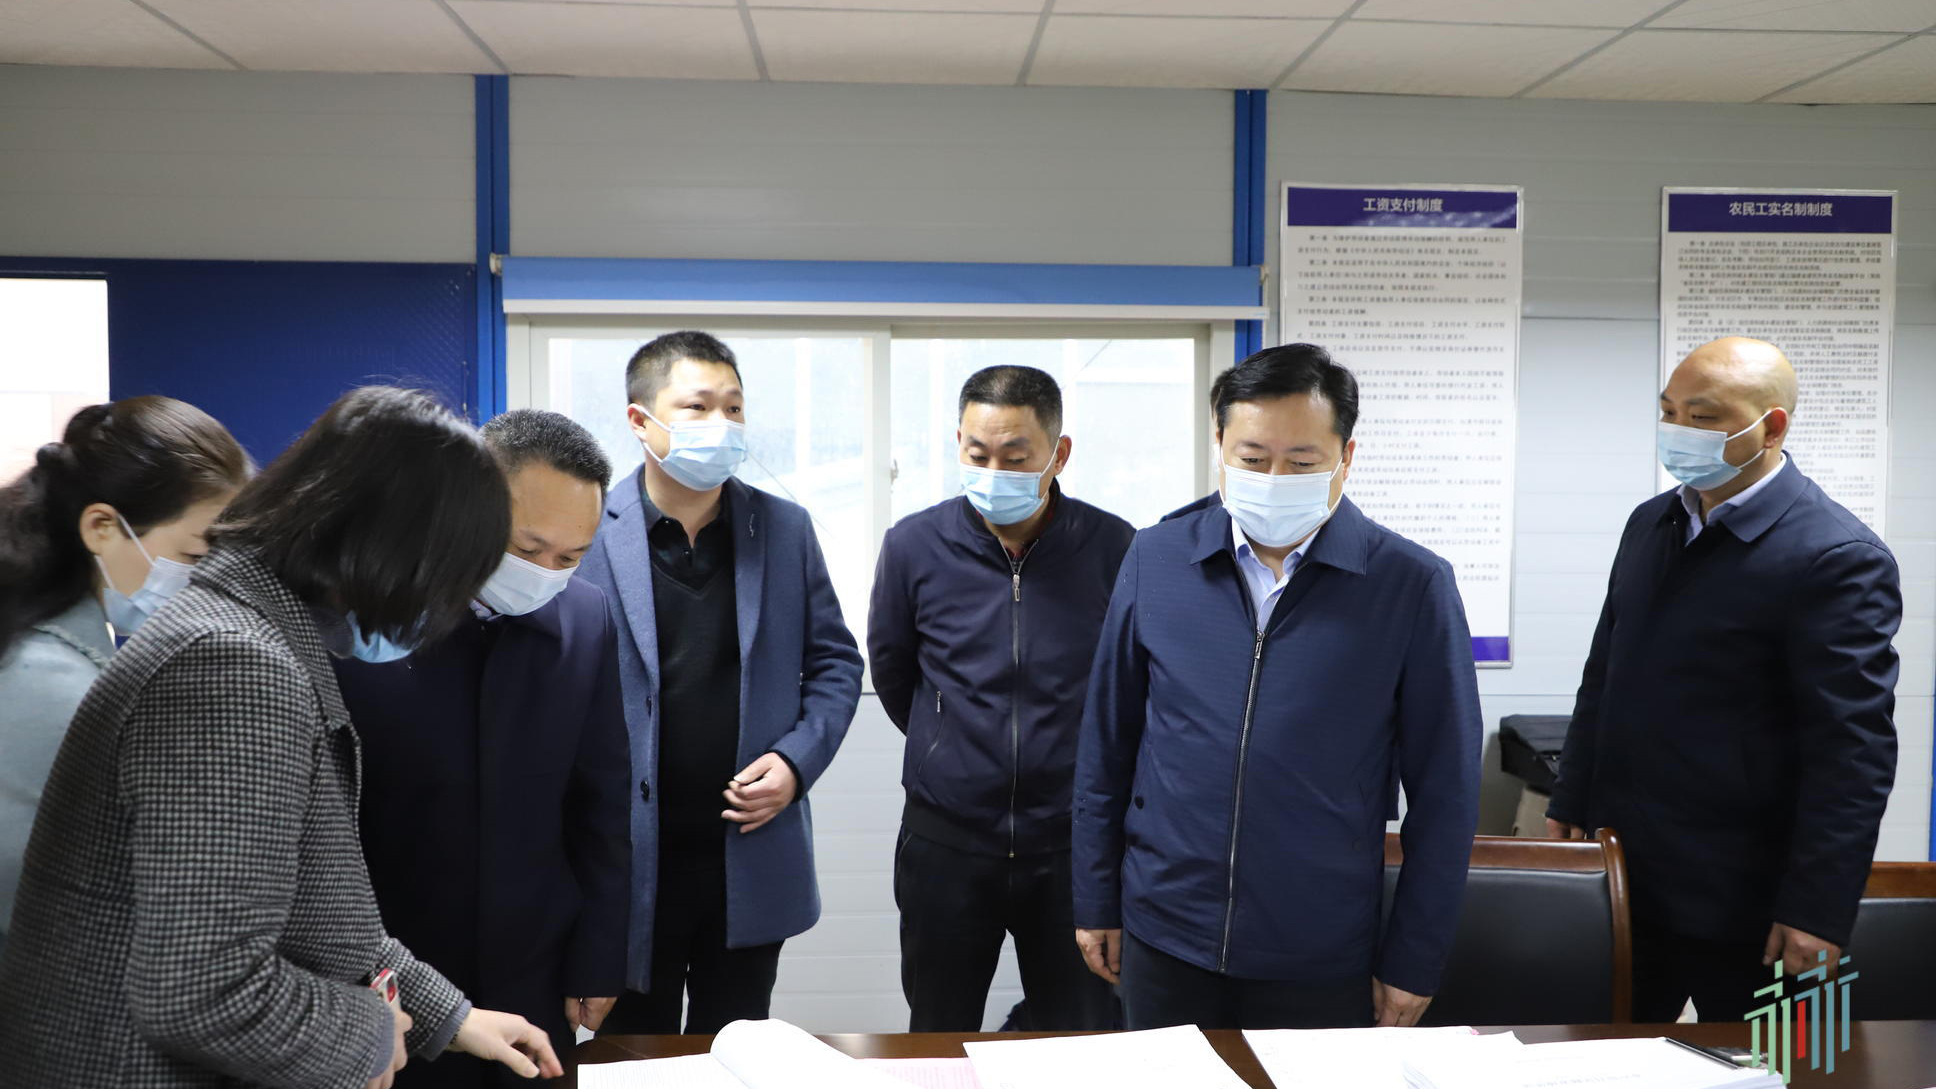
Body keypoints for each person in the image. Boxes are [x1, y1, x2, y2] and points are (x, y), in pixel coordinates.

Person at [0, 387, 562, 1089]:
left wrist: (449, 1017)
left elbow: (312, 905)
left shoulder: (249, 631)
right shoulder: (234, 665)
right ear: (394, 555)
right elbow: (205, 990)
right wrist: (366, 1032)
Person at [1072, 344, 1482, 1031]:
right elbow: (1105, 745)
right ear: (1220, 445)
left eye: (1301, 463)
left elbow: (1447, 795)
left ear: (1346, 457)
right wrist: (1094, 898)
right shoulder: (1157, 558)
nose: (1273, 479)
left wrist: (1415, 956)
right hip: (1164, 932)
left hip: (1319, 948)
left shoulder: (1410, 585)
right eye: (1253, 458)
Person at [1546, 336, 1900, 1022]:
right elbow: (1604, 678)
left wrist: (1818, 907)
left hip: (1755, 905)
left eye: (1703, 417)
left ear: (1771, 428)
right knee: (1604, 1060)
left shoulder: (1837, 556)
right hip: (1627, 882)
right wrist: (1570, 799)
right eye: (1669, 411)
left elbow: (1853, 751)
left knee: (1786, 1064)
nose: (1679, 430)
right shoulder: (1651, 523)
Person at [333, 409, 631, 1086]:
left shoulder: (586, 620)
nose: (546, 572)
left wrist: (599, 954)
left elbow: (603, 804)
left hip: (535, 966)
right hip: (397, 965)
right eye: (528, 548)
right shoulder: (366, 618)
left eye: (570, 557)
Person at [580, 331, 863, 1035]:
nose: (723, 424)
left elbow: (836, 663)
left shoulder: (785, 528)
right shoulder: (587, 531)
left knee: (735, 1049)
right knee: (632, 1060)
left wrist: (796, 763)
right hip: (629, 862)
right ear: (641, 420)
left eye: (734, 408)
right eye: (698, 406)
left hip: (747, 856)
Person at [868, 365, 1130, 1032]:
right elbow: (896, 675)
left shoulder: (1115, 548)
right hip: (947, 841)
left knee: (1080, 1036)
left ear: (1058, 453)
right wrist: (947, 743)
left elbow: (1130, 690)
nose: (994, 472)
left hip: (1071, 844)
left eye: (1016, 457)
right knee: (939, 1032)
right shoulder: (913, 546)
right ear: (958, 444)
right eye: (978, 453)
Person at [0, 396, 250, 957]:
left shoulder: (42, 643)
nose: (209, 583)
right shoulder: (54, 687)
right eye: (194, 556)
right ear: (102, 527)